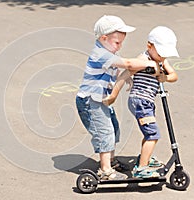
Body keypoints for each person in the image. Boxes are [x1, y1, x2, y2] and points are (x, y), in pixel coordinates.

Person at [75, 15, 159, 180]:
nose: (119, 47)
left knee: (113, 127)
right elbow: (128, 64)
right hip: (90, 101)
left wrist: (126, 77)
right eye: (117, 43)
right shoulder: (100, 53)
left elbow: (117, 70)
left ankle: (111, 161)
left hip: (100, 100)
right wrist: (149, 63)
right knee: (104, 131)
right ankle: (105, 170)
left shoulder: (107, 51)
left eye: (121, 43)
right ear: (103, 38)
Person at [104, 26, 179, 178]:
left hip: (148, 103)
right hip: (140, 102)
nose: (163, 57)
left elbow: (174, 75)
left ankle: (144, 159)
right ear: (149, 46)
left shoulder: (161, 60)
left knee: (149, 132)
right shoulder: (143, 60)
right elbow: (125, 74)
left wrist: (165, 77)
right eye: (161, 53)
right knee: (153, 134)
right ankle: (142, 168)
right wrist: (114, 94)